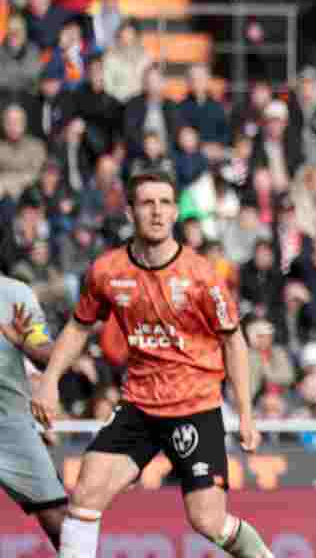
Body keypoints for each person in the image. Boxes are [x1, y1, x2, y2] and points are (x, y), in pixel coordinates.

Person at [31, 169, 275, 558]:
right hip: (140, 406)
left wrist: (245, 413)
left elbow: (234, 342)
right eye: (147, 203)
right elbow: (78, 328)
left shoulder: (201, 275)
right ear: (130, 212)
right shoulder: (108, 271)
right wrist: (49, 380)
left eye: (164, 203)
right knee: (85, 495)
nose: (157, 212)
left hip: (194, 408)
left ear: (176, 212)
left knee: (208, 522)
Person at [0, 280, 66, 549]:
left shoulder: (15, 293)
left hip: (9, 422)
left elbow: (46, 354)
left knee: (59, 518)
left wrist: (27, 343)